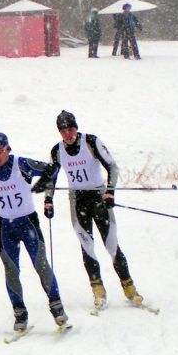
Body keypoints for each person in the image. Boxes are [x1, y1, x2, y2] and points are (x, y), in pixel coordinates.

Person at [0, 132, 69, 332]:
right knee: (11, 270)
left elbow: (52, 168)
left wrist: (44, 183)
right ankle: (20, 314)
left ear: (8, 148)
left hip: (28, 223)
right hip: (6, 227)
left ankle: (57, 308)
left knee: (41, 265)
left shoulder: (21, 164)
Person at [40, 111, 143, 310]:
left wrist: (110, 192)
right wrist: (48, 200)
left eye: (70, 129)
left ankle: (129, 288)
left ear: (76, 128)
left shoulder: (91, 142)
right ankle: (98, 291)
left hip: (98, 198)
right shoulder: (57, 151)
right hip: (78, 201)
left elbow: (112, 167)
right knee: (87, 246)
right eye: (63, 131)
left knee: (111, 245)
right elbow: (50, 178)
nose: (68, 134)